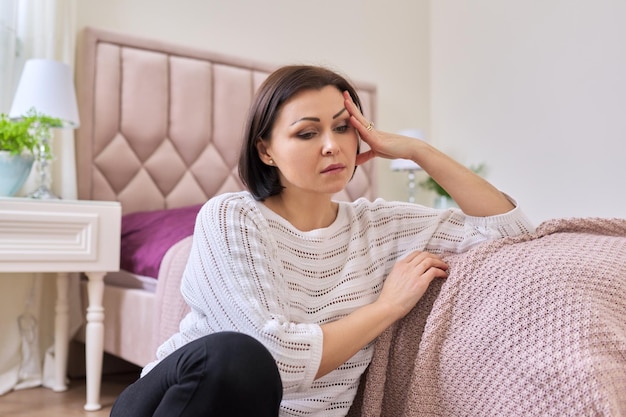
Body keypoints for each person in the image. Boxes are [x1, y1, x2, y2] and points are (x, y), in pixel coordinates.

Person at [111, 65, 534, 417]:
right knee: (236, 356)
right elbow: (269, 357)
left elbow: (510, 230)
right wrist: (386, 307)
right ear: (266, 150)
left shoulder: (379, 225)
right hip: (175, 404)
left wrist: (417, 151)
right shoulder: (231, 216)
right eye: (307, 133)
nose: (332, 146)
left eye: (343, 127)